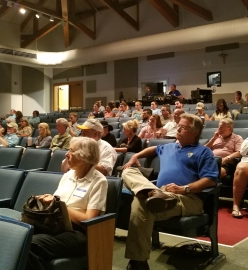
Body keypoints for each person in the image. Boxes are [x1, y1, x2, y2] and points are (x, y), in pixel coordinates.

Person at [121, 113, 218, 269]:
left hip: (187, 198)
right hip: (161, 193)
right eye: (178, 125)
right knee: (127, 171)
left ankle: (138, 262)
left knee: (140, 202)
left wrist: (185, 189)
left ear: (194, 132)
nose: (178, 128)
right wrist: (135, 156)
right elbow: (153, 148)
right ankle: (152, 193)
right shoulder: (169, 146)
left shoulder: (203, 152)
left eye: (183, 127)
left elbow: (211, 179)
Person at [26, 137, 108, 270]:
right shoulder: (68, 175)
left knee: (30, 244)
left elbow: (89, 220)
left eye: (71, 150)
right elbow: (56, 202)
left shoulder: (99, 181)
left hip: (77, 233)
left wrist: (58, 203)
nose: (66, 154)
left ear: (85, 156)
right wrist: (50, 200)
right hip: (56, 224)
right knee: (19, 234)